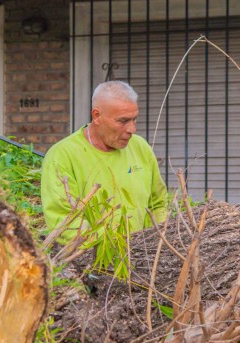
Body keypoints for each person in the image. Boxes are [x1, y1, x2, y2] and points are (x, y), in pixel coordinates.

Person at [41, 81, 167, 244]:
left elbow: (158, 203)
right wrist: (113, 249)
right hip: (90, 262)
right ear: (97, 116)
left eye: (134, 119)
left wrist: (154, 243)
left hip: (142, 260)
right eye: (123, 121)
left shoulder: (140, 147)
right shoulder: (62, 156)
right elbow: (64, 221)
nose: (132, 129)